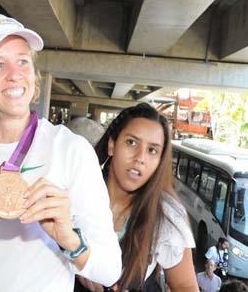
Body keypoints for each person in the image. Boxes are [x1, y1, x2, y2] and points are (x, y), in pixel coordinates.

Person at [0, 13, 121, 291]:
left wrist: (70, 240)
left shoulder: (71, 149)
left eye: (22, 60)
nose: (15, 74)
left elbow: (111, 269)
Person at [79, 103, 197, 291]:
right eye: (131, 142)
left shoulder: (167, 215)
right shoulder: (77, 191)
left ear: (160, 161)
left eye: (152, 150)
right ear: (112, 145)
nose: (140, 158)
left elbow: (185, 285)